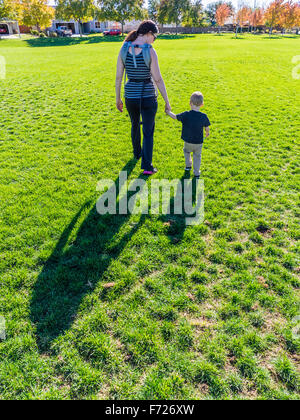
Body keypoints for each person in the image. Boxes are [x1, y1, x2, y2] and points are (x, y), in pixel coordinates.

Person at [115, 20, 171, 175]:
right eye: (155, 36)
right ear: (148, 33)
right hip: (148, 96)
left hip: (130, 96)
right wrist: (167, 101)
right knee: (148, 131)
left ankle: (137, 153)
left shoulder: (124, 48)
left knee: (134, 124)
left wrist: (117, 98)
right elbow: (158, 79)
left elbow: (119, 77)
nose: (154, 40)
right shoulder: (150, 51)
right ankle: (147, 166)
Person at [165, 91, 211, 178]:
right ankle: (197, 173)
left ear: (190, 103)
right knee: (197, 156)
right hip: (198, 143)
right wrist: (207, 133)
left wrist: (168, 112)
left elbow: (175, 117)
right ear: (202, 104)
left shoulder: (186, 114)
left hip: (188, 141)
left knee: (187, 152)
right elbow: (207, 127)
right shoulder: (204, 116)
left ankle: (188, 166)